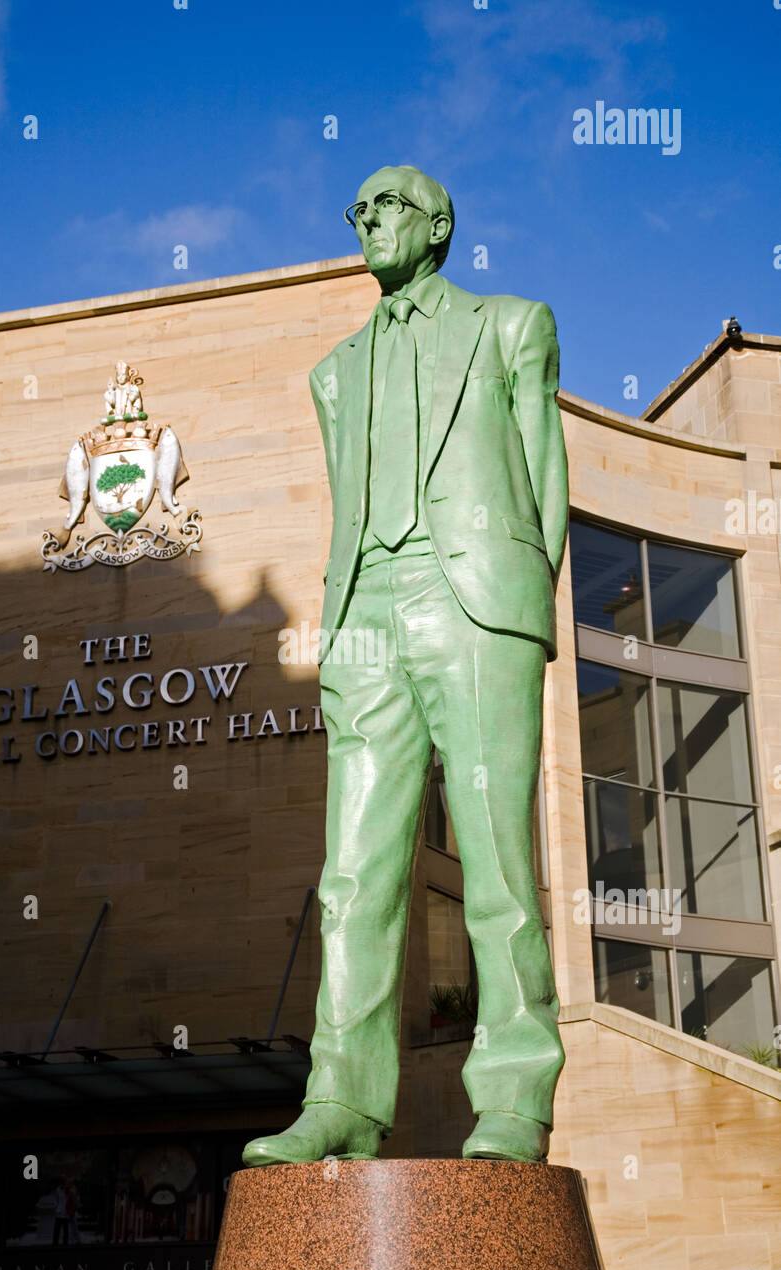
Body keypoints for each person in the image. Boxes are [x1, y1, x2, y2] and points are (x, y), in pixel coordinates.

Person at [243, 165, 569, 1168]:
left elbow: (544, 485)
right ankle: (342, 1095)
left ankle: (515, 1094)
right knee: (353, 876)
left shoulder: (511, 325)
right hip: (366, 613)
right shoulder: (332, 371)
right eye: (358, 209)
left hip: (470, 603)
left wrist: (514, 612)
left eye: (387, 205)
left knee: (495, 865)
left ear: (438, 224)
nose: (368, 220)